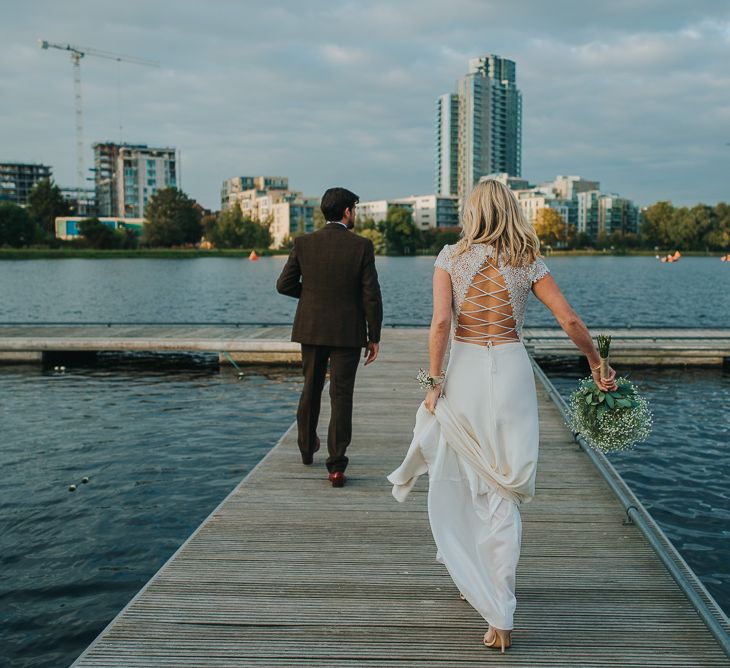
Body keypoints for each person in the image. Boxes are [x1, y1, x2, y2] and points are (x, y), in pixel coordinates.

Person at [387, 179, 617, 652]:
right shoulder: (526, 258)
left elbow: (441, 323)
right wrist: (596, 363)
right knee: (504, 488)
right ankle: (500, 613)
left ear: (473, 212)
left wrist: (433, 384)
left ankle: (475, 580)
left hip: (467, 369)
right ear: (510, 209)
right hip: (511, 371)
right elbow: (570, 319)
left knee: (465, 478)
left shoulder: (450, 257)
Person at [276, 187, 383, 488]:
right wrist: (373, 335)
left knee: (310, 388)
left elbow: (284, 284)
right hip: (347, 331)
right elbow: (371, 295)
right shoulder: (361, 246)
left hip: (310, 328)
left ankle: (307, 448)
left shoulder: (304, 243)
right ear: (348, 212)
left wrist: (310, 296)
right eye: (356, 209)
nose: (356, 214)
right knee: (341, 395)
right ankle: (336, 466)